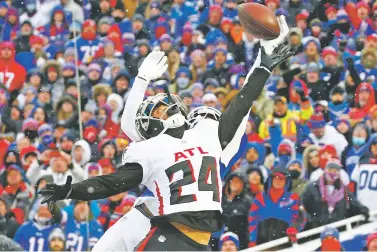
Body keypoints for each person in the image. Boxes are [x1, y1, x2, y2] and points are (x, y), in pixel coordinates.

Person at [38, 21, 294, 251]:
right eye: (199, 115)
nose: (202, 118)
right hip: (157, 220)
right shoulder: (175, 141)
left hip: (182, 231)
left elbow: (242, 104)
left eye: (209, 115)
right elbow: (118, 173)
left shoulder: (215, 140)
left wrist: (263, 63)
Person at [302, 159, 369, 229]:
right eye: (330, 169)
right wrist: (312, 221)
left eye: (335, 171)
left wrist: (363, 210)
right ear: (325, 170)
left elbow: (354, 204)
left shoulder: (345, 190)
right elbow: (303, 206)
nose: (332, 173)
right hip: (318, 230)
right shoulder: (312, 188)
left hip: (339, 229)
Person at [248, 165, 303, 247]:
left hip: (284, 244)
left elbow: (299, 217)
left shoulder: (293, 198)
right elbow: (252, 220)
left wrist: (293, 228)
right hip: (262, 245)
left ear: (286, 182)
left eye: (281, 179)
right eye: (276, 178)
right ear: (271, 179)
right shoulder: (260, 198)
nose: (278, 181)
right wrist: (252, 240)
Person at [222, 172, 252, 249]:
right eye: (233, 181)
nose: (235, 183)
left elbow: (251, 224)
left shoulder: (248, 202)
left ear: (243, 185)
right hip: (220, 242)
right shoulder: (220, 199)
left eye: (238, 181)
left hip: (241, 242)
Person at [351, 134, 377, 211]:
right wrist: (355, 203)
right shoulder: (362, 163)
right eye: (374, 145)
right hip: (363, 206)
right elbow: (353, 185)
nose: (376, 147)